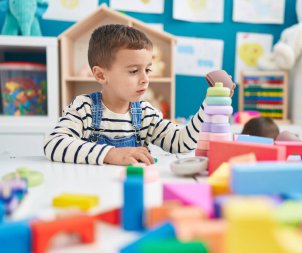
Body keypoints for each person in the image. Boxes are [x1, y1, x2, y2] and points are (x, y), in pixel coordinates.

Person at [44, 24, 234, 166]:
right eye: (134, 71)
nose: (145, 79)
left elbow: (181, 143)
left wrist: (211, 104)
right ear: (101, 75)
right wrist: (110, 154)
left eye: (148, 70)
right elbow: (54, 143)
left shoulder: (145, 113)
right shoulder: (83, 109)